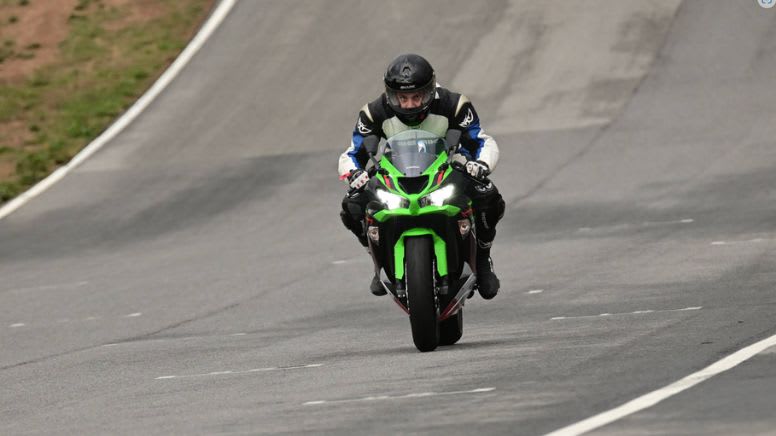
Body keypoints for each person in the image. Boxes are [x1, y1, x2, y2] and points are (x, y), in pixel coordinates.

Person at [338, 53, 505, 300]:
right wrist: (354, 173)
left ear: (430, 90)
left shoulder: (455, 104)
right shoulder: (373, 113)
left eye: (417, 96)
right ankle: (377, 262)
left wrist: (479, 164)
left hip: (448, 170)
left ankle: (483, 258)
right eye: (402, 98)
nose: (409, 104)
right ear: (390, 94)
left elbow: (480, 140)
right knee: (351, 206)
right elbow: (354, 153)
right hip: (396, 175)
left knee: (489, 196)